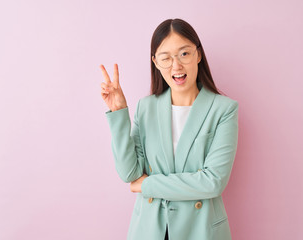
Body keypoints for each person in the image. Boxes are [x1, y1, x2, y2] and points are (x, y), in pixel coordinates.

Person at [100, 18, 239, 240]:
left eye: (184, 54)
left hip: (199, 230)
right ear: (155, 62)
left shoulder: (223, 109)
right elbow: (130, 174)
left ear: (198, 54)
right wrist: (119, 113)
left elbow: (212, 182)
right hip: (148, 230)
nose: (176, 66)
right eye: (166, 58)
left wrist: (148, 185)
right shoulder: (147, 107)